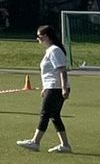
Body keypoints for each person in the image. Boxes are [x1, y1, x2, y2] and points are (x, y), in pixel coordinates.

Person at [16, 25, 71, 153]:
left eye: (39, 36)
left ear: (46, 36)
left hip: (56, 88)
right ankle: (65, 145)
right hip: (51, 87)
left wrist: (64, 88)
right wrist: (45, 88)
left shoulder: (54, 50)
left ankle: (35, 142)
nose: (37, 38)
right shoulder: (50, 50)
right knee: (54, 116)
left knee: (45, 114)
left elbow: (62, 70)